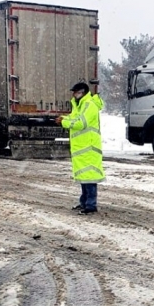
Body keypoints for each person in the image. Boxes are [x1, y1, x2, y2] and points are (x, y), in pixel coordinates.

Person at [55, 82, 105, 215]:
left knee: (90, 177)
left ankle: (91, 205)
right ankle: (84, 202)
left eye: (75, 92)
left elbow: (81, 123)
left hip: (89, 147)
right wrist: (65, 118)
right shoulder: (81, 105)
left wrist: (64, 122)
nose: (73, 94)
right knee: (84, 176)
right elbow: (75, 117)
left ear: (82, 92)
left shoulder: (89, 105)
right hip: (83, 148)